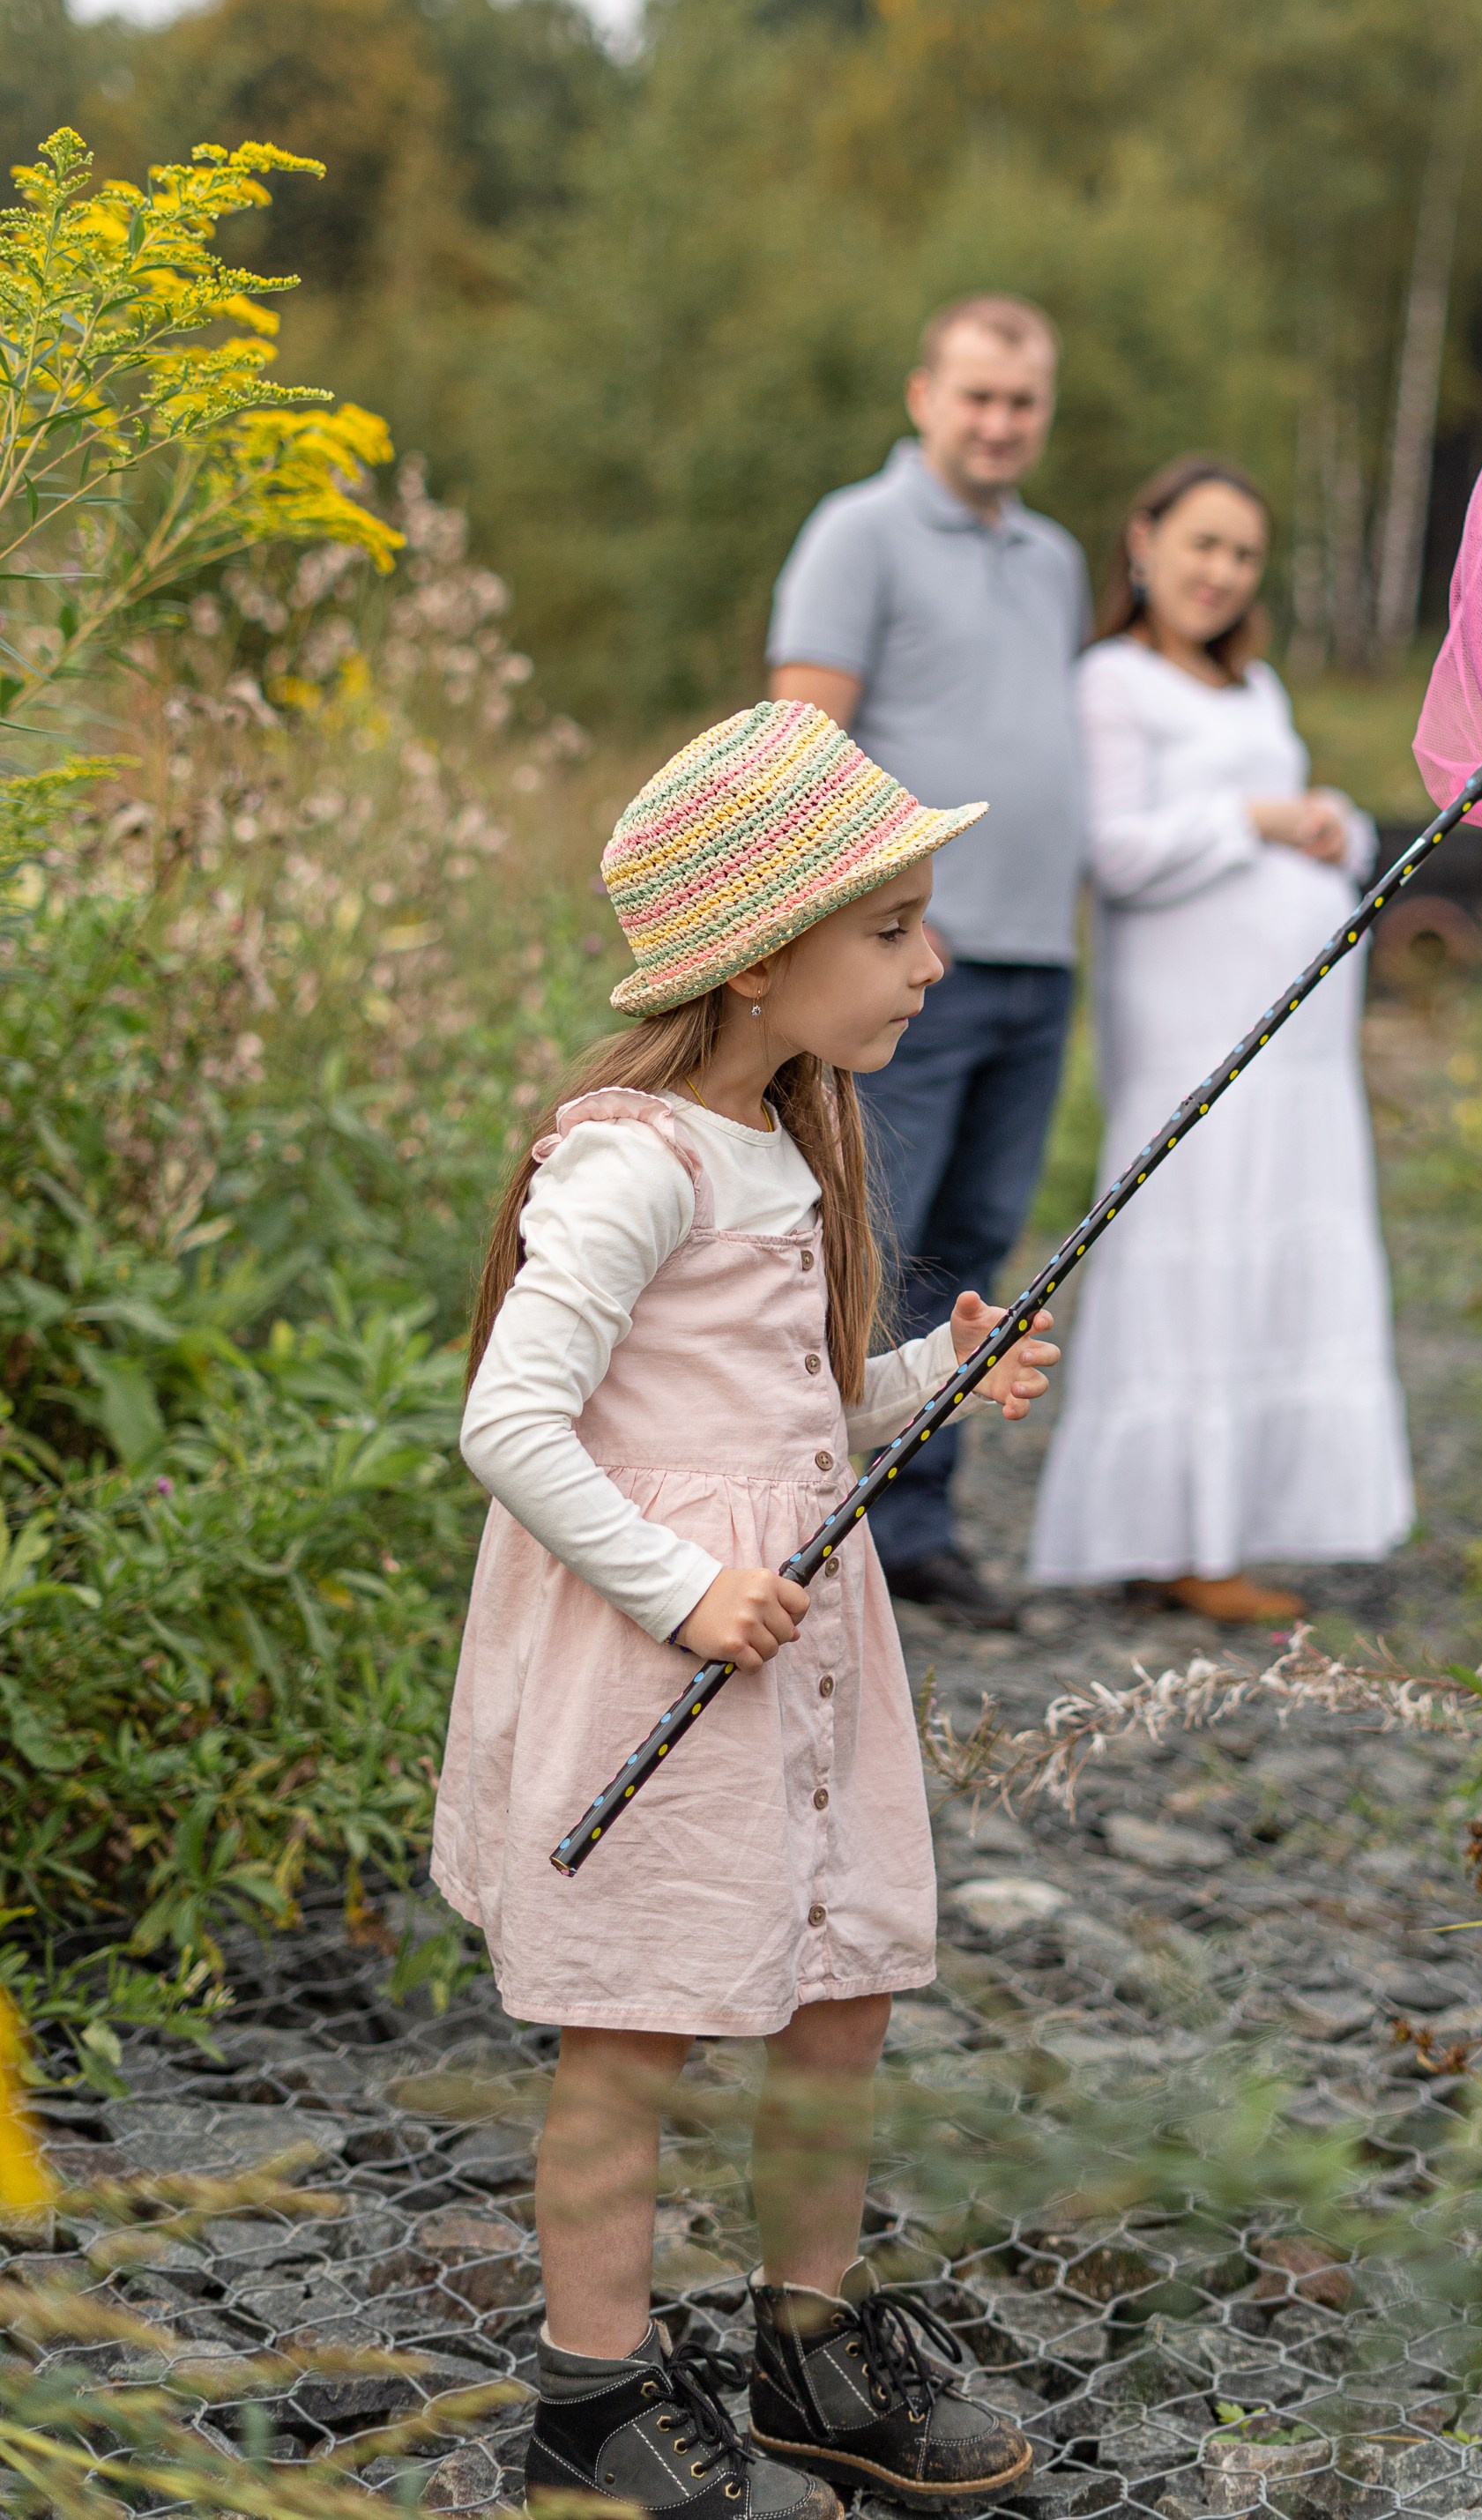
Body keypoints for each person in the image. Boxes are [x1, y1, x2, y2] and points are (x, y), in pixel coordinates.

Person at [432, 701, 1055, 2516]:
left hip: (795, 1643)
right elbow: (510, 1422)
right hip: (664, 1658)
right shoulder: (634, 1162)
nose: (932, 965)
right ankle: (593, 2406)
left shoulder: (787, 1139)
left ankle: (809, 2343)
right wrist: (682, 1587)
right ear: (762, 957)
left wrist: (929, 1373)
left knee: (843, 1988)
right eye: (893, 928)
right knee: (631, 2023)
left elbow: (781, 1415)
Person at [1028, 457, 1414, 1623]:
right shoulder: (1111, 679)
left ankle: (1236, 1518)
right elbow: (1115, 850)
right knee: (1193, 1227)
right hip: (1189, 1024)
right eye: (1203, 543)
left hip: (1296, 1047)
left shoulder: (1255, 689)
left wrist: (1329, 824)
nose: (1222, 572)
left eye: (1244, 554)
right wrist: (1254, 817)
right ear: (1142, 541)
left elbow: (1309, 830)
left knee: (1274, 1235)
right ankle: (1174, 1533)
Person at [766, 294, 1089, 1629]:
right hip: (911, 964)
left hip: (1035, 957)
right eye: (977, 397)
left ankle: (917, 1527)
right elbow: (801, 743)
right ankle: (812, 1520)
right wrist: (886, 924)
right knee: (873, 1237)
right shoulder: (859, 532)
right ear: (924, 398)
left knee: (970, 1246)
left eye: (1022, 401)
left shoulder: (1056, 559)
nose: (999, 423)